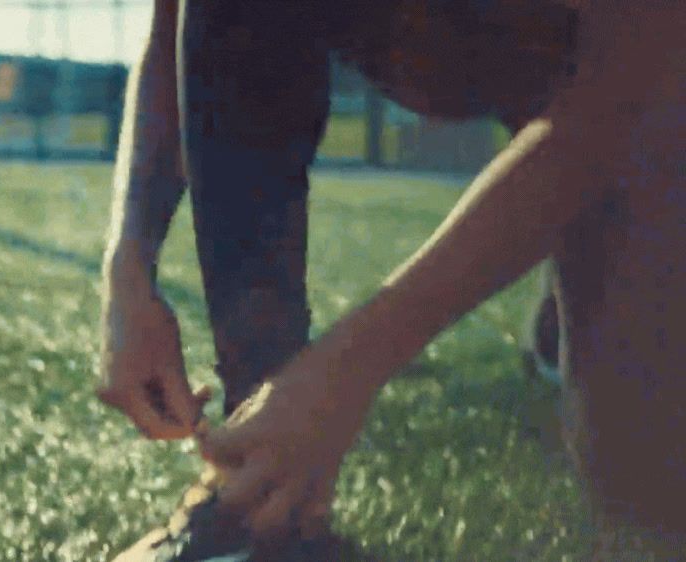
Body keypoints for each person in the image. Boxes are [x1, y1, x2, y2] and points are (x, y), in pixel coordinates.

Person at [102, 0, 685, 558]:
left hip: (617, 66)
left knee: (645, 482)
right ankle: (257, 468)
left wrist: (349, 367)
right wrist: (127, 268)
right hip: (431, 33)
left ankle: (574, 288)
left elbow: (623, 92)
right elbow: (176, 29)